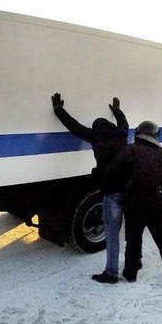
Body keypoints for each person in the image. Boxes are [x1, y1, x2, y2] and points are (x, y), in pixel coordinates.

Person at [51, 93, 129, 284]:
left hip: (111, 191)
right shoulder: (121, 133)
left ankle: (111, 273)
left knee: (111, 233)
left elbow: (73, 125)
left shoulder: (95, 136)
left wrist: (58, 108)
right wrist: (117, 108)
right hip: (128, 187)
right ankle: (133, 264)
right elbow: (123, 121)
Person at [104, 120, 162, 283]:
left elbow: (112, 171)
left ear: (139, 133)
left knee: (134, 239)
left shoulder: (130, 150)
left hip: (136, 202)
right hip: (159, 201)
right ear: (155, 135)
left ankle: (131, 273)